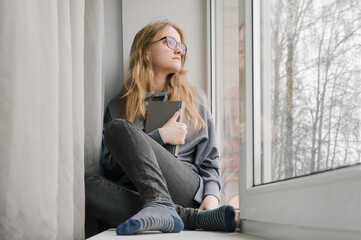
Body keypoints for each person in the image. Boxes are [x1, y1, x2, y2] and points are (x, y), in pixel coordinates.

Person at [85, 20, 236, 235]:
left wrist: (211, 197)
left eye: (181, 47)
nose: (178, 50)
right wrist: (160, 136)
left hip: (182, 186)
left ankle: (163, 206)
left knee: (118, 128)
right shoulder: (118, 106)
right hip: (135, 188)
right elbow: (110, 165)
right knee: (84, 186)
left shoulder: (195, 100)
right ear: (145, 51)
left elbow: (210, 160)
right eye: (170, 42)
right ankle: (186, 217)